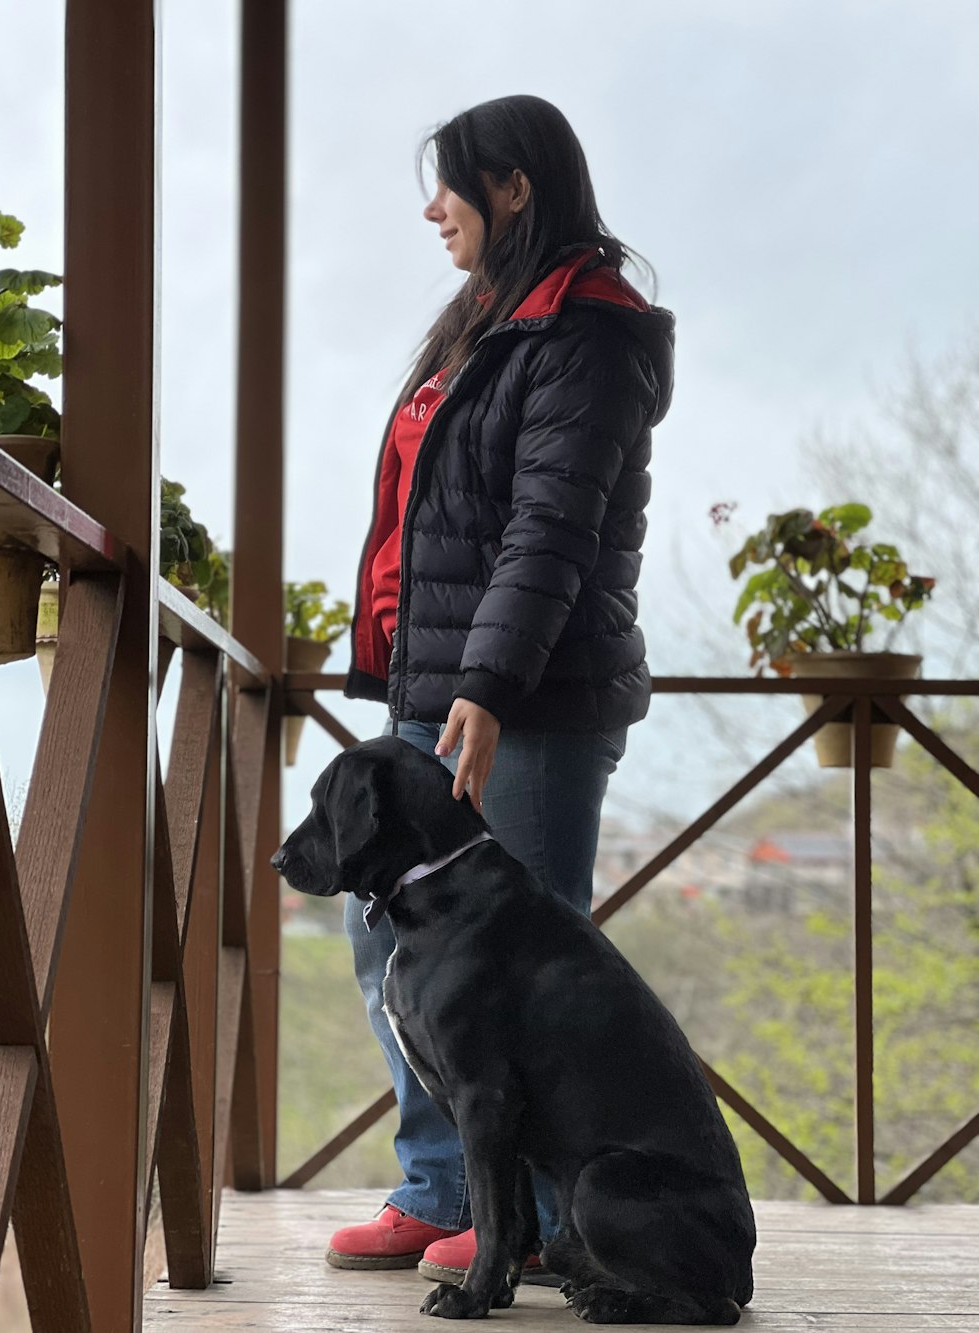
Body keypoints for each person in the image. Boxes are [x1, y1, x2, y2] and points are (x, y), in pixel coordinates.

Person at [332, 94, 675, 1282]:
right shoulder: (485, 319)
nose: (434, 207)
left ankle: (530, 1221)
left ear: (516, 187)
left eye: (454, 184)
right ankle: (439, 1189)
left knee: (520, 971)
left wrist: (483, 681)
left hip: (525, 698)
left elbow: (548, 529)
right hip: (440, 687)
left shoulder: (590, 332)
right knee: (392, 946)